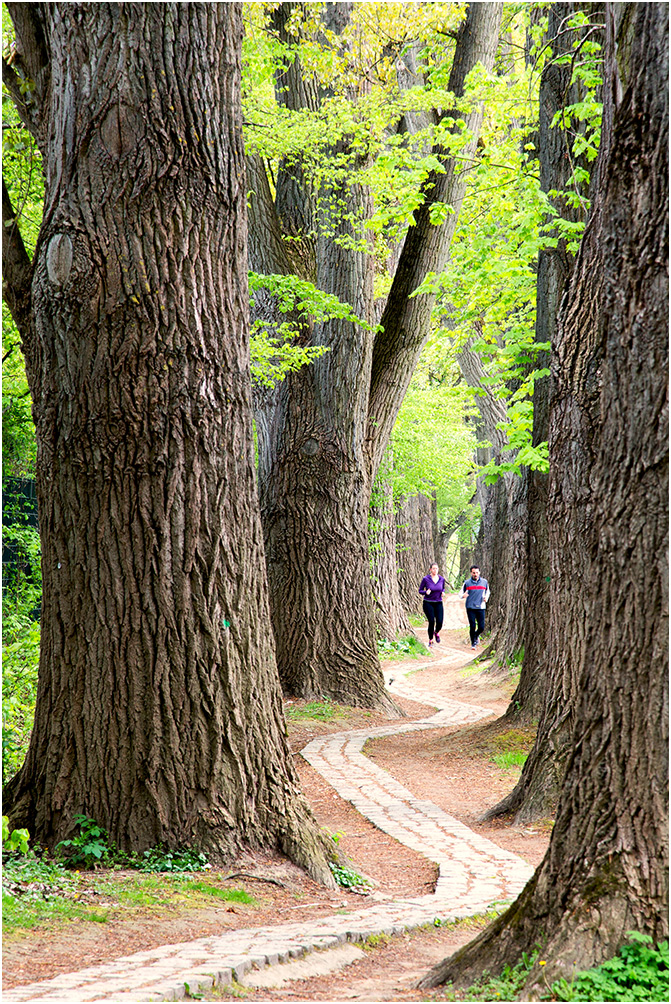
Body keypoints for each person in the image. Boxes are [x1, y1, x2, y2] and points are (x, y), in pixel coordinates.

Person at [418, 562, 447, 648]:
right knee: (431, 621)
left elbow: (443, 588)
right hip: (428, 602)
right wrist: (425, 592)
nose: (435, 570)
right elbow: (420, 590)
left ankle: (436, 632)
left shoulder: (441, 579)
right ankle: (430, 640)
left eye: (436, 569)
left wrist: (443, 592)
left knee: (440, 622)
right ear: (430, 569)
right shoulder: (426, 579)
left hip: (438, 602)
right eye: (433, 568)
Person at [461, 565, 490, 649]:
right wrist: (463, 595)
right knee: (472, 625)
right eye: (474, 573)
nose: (475, 574)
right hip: (470, 607)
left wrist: (486, 598)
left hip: (481, 607)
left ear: (479, 572)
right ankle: (473, 643)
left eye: (477, 572)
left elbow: (488, 592)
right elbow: (460, 594)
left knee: (481, 627)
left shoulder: (484, 582)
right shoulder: (467, 583)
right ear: (471, 573)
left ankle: (476, 636)